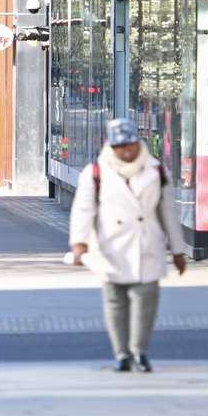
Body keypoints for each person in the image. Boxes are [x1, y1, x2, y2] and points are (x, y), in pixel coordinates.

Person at [69, 117, 188, 373]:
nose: (127, 150)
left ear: (138, 142)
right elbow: (83, 210)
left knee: (146, 300)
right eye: (121, 146)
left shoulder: (155, 170)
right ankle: (121, 353)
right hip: (111, 245)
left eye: (131, 144)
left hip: (146, 244)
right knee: (115, 301)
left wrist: (178, 250)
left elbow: (168, 213)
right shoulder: (96, 172)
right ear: (111, 146)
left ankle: (139, 350)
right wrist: (79, 243)